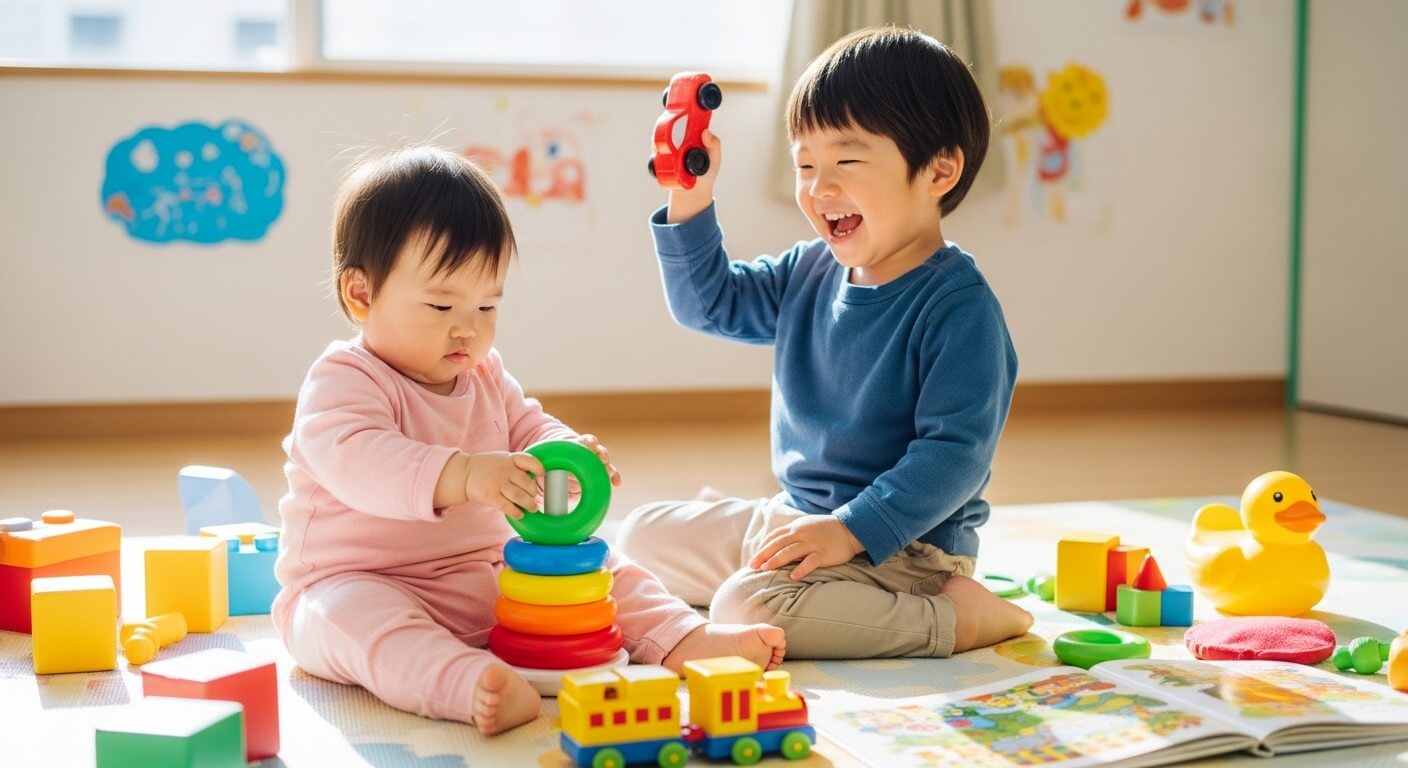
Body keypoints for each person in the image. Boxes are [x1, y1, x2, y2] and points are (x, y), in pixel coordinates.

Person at [272, 146, 785, 735]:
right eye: (441, 304)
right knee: (355, 625)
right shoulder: (344, 379)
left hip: (488, 572)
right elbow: (361, 460)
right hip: (361, 581)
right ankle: (464, 683)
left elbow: (529, 426)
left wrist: (568, 449)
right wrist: (465, 474)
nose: (468, 326)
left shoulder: (484, 374)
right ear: (361, 295)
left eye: (488, 304)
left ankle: (681, 638)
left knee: (605, 568)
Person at [618, 26, 1034, 659]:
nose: (817, 188)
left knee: (745, 605)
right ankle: (798, 586)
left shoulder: (960, 307)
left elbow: (955, 456)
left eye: (846, 161)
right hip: (797, 518)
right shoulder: (810, 269)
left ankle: (954, 619)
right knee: (635, 537)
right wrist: (690, 195)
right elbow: (712, 303)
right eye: (805, 165)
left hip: (905, 545)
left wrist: (850, 530)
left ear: (939, 170)